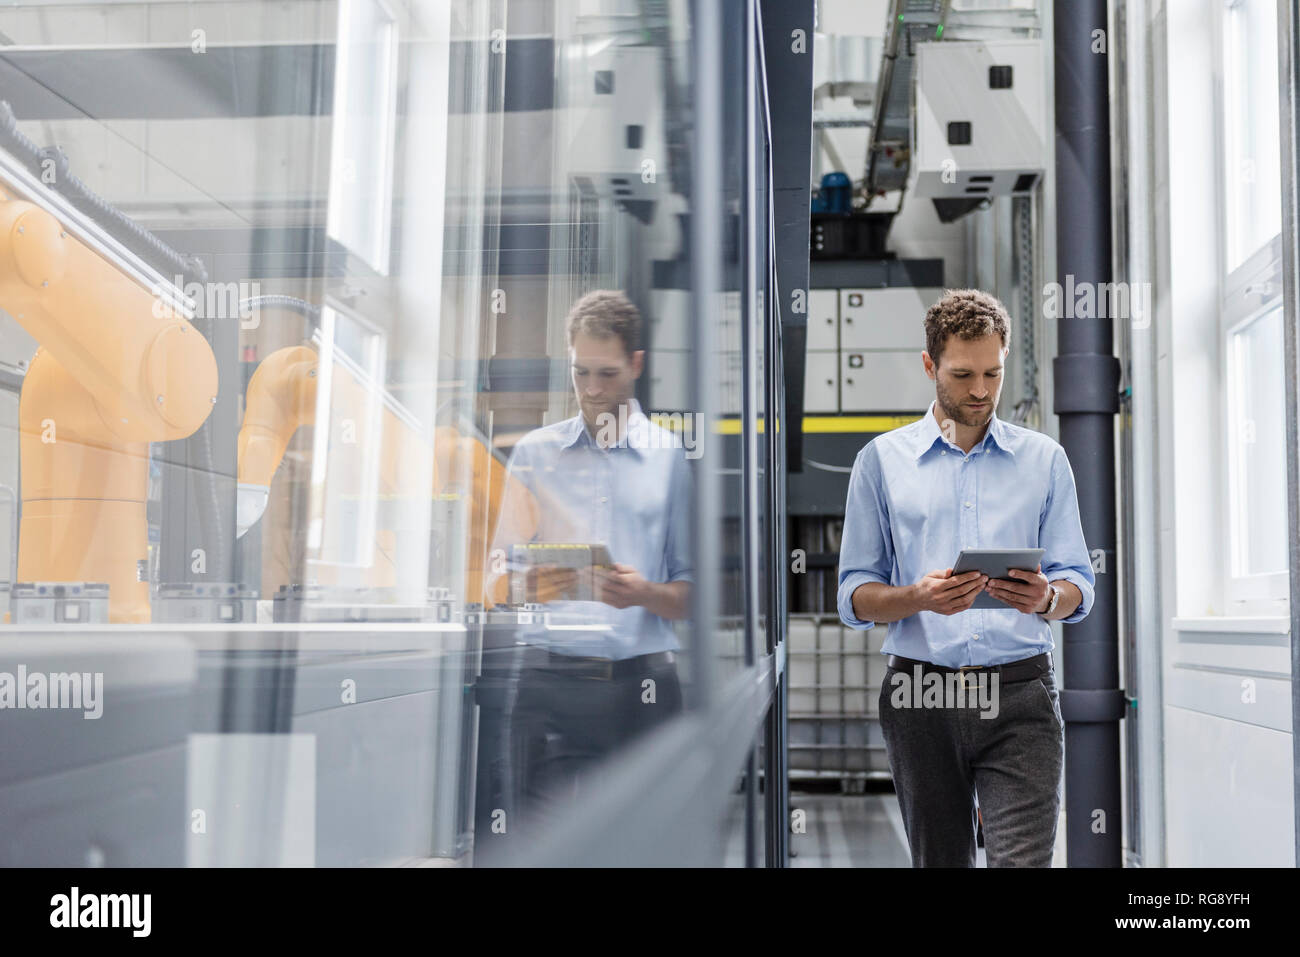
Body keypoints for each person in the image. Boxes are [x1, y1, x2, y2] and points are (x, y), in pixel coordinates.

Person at [837, 288, 1095, 867]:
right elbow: (854, 595)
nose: (980, 391)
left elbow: (1078, 581)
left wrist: (1047, 596)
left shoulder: (1045, 460)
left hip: (1020, 695)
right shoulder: (880, 462)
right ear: (929, 365)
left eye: (992, 373)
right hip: (920, 697)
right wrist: (916, 598)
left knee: (1023, 862)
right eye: (961, 374)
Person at [482, 289, 693, 857]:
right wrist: (531, 582)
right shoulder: (533, 453)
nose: (593, 390)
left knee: (646, 848)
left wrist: (642, 592)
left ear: (637, 365)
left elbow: (691, 594)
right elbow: (495, 577)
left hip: (640, 689)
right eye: (581, 373)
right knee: (537, 846)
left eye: (608, 373)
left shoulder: (669, 458)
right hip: (547, 684)